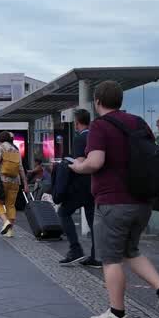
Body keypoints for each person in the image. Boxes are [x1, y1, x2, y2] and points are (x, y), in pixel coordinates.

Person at [70, 80, 159, 318]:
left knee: (110, 259)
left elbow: (96, 162)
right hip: (141, 200)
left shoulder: (100, 126)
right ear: (121, 101)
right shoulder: (139, 123)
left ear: (97, 101)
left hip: (112, 201)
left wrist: (79, 166)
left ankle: (117, 313)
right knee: (131, 250)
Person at [57, 108, 101, 268]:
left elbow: (81, 164)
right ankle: (97, 256)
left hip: (81, 185)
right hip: (95, 185)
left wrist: (70, 164)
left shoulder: (80, 138)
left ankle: (75, 249)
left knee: (63, 212)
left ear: (76, 122)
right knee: (91, 219)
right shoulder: (95, 136)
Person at [0, 131, 27, 237]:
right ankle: (10, 231)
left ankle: (6, 221)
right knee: (10, 205)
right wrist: (25, 183)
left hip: (2, 180)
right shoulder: (16, 150)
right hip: (15, 181)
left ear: (0, 139)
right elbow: (20, 168)